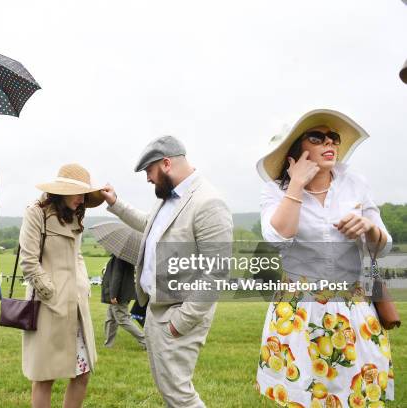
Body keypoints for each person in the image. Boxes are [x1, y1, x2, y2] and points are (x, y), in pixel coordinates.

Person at [254, 109, 394, 406]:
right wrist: (295, 186)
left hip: (351, 306)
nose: (329, 143)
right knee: (304, 393)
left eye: (334, 138)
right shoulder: (273, 192)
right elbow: (279, 237)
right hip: (298, 310)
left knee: (353, 393)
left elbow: (382, 245)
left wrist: (369, 228)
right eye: (317, 137)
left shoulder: (355, 183)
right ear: (295, 150)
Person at [99, 135, 233, 408]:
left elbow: (216, 273)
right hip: (156, 309)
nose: (148, 179)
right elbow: (150, 224)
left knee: (179, 395)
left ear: (167, 164)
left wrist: (180, 322)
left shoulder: (208, 203)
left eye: (149, 171)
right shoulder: (167, 199)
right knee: (170, 391)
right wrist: (116, 203)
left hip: (178, 316)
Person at [19, 163, 103, 408]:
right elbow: (29, 261)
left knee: (82, 373)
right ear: (62, 190)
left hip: (75, 307)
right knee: (45, 376)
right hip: (48, 308)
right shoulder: (36, 213)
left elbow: (77, 256)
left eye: (85, 194)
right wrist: (51, 293)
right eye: (78, 193)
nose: (82, 199)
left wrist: (82, 284)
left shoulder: (75, 215)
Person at [101, 255, 146, 349]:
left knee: (123, 319)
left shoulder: (119, 258)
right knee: (110, 319)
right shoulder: (125, 257)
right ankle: (108, 345)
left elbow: (116, 277)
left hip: (118, 295)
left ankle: (145, 341)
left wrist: (113, 295)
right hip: (120, 294)